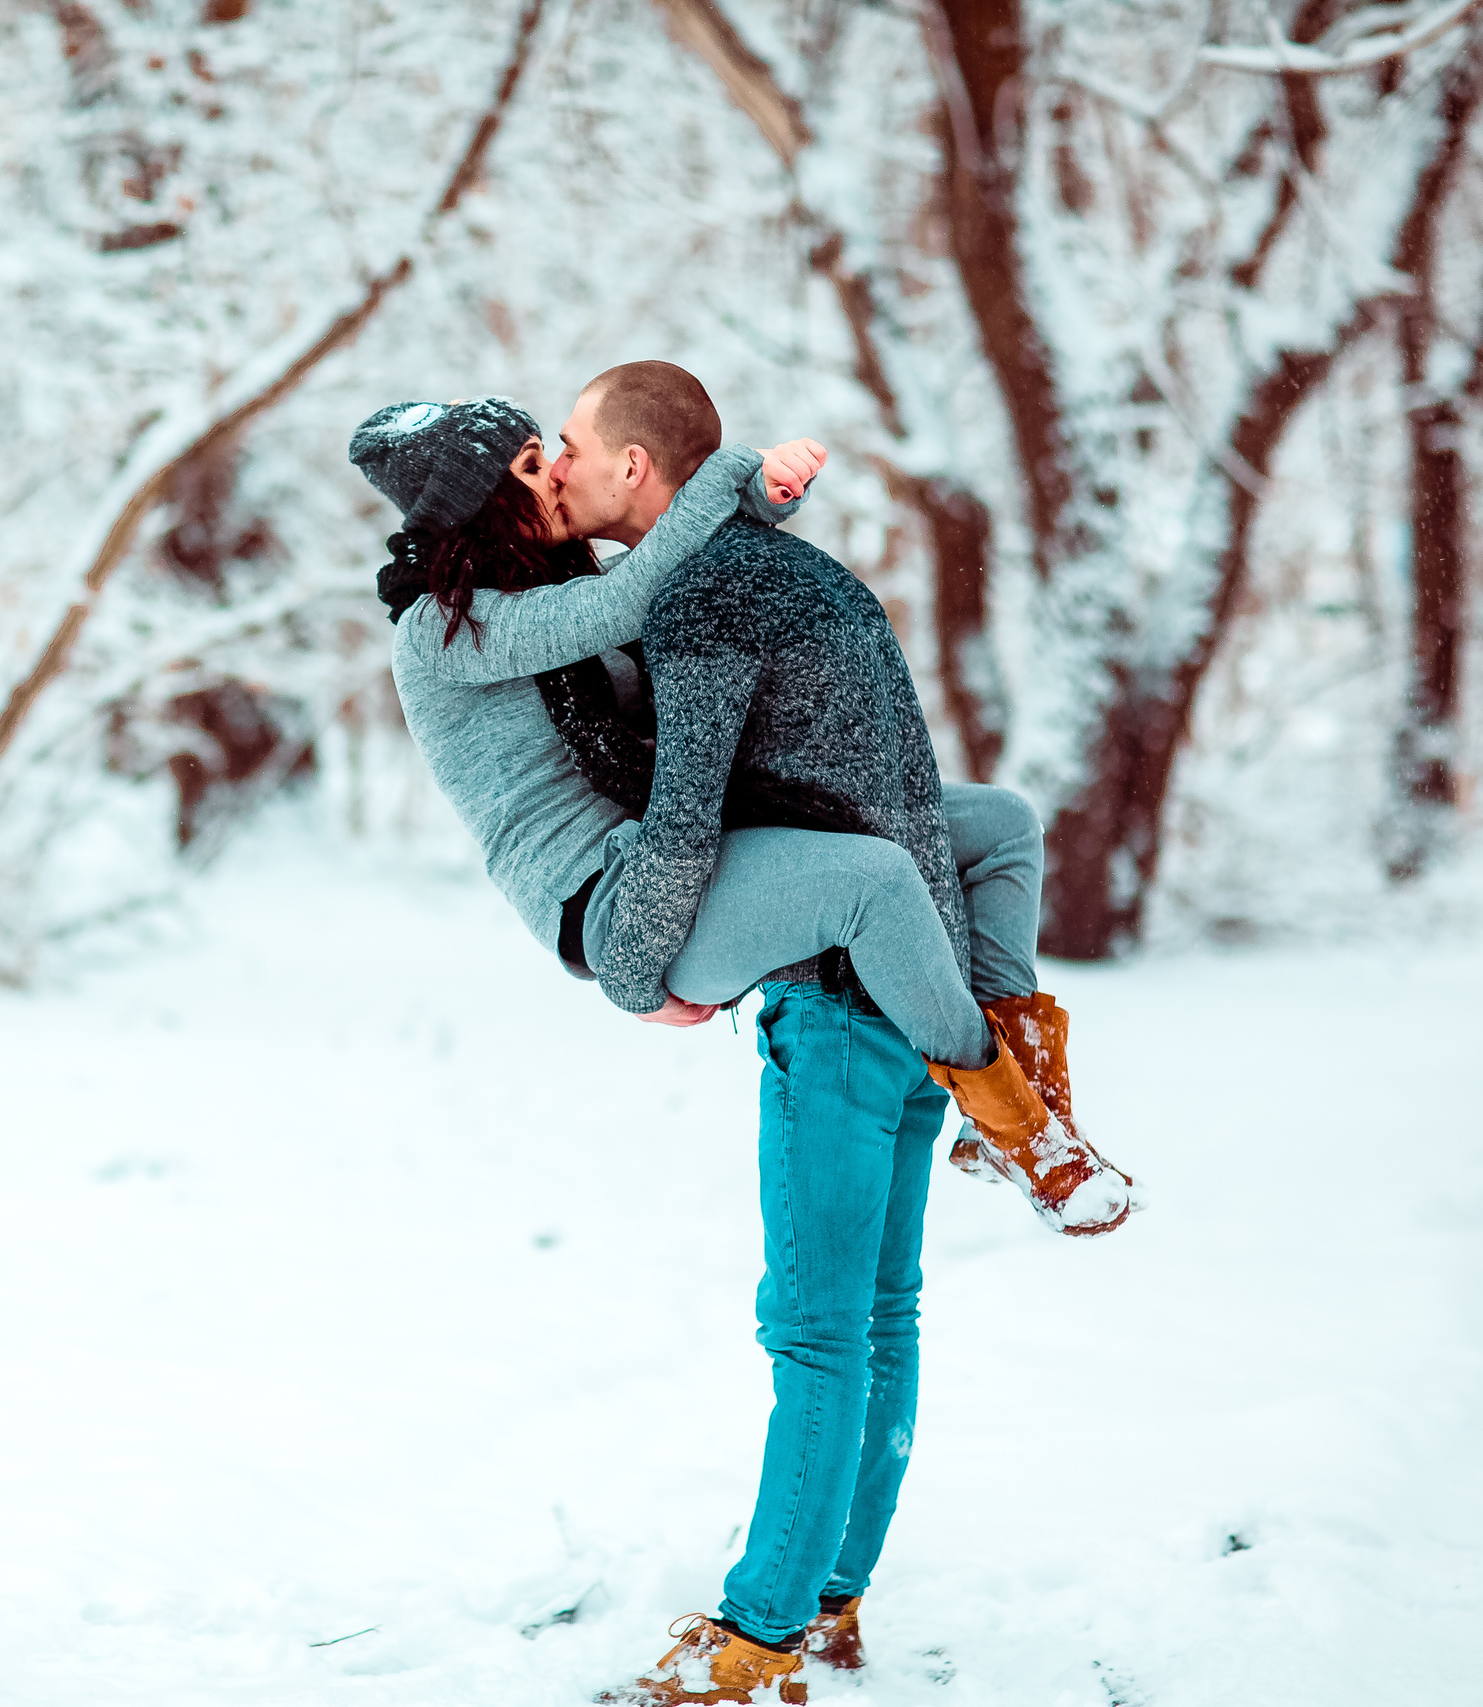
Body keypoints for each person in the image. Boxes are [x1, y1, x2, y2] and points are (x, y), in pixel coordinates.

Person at [351, 379, 1133, 1707]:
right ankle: (1000, 1106)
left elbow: (654, 583)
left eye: (568, 454)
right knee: (877, 894)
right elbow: (624, 605)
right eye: (539, 462)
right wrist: (735, 471)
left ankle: (1021, 1070)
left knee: (985, 827)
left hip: (684, 869)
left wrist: (735, 494)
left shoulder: (546, 587)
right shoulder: (450, 628)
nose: (558, 476)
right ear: (487, 504)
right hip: (610, 899)